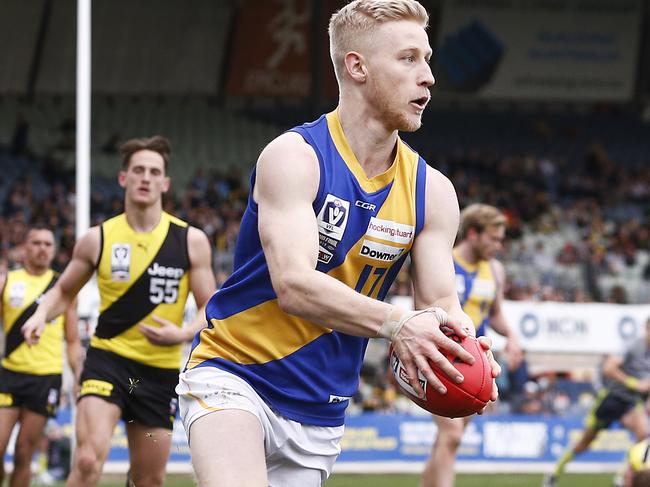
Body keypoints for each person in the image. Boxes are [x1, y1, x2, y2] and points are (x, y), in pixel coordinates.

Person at [176, 2, 500, 486]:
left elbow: (437, 305)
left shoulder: (433, 191)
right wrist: (398, 325)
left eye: (428, 59)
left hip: (320, 412)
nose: (429, 76)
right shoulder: (295, 156)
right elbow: (294, 285)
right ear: (357, 66)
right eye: (409, 58)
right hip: (235, 376)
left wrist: (465, 347)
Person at [21, 135, 216, 487]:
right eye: (138, 170)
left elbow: (210, 307)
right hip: (107, 361)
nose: (146, 177)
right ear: (123, 178)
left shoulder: (191, 241)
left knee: (149, 480)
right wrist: (38, 315)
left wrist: (184, 333)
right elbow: (63, 292)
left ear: (165, 183)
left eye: (154, 171)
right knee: (86, 460)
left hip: (159, 372)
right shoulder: (98, 238)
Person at [421, 203, 523, 487]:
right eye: (494, 238)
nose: (498, 245)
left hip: (476, 364)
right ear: (474, 234)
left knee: (448, 440)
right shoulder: (442, 262)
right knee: (451, 435)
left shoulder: (496, 271)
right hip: (442, 357)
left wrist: (513, 337)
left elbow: (496, 313)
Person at [0, 226, 81, 487]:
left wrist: (78, 375)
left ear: (54, 250)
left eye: (48, 244)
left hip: (46, 378)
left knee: (25, 452)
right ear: (24, 248)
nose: (42, 248)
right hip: (9, 374)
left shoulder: (64, 287)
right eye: (36, 243)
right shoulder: (7, 281)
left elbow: (72, 338)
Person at [542, 317, 650, 487]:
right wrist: (633, 383)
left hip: (632, 403)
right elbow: (608, 368)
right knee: (585, 442)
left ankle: (622, 478)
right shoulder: (634, 346)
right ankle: (554, 473)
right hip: (613, 398)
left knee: (643, 435)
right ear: (647, 329)